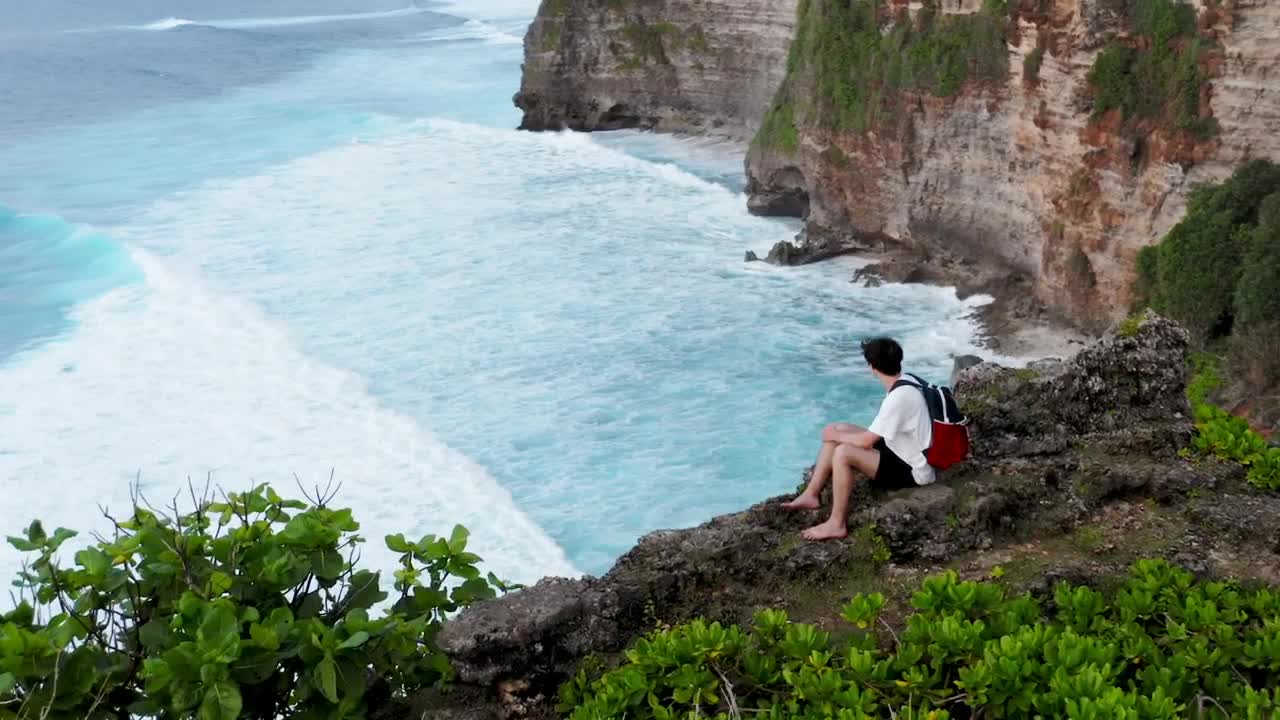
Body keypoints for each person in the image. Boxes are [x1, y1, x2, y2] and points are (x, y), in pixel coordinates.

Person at [782, 337, 935, 540]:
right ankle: (811, 493)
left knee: (843, 452)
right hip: (903, 448)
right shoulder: (908, 380)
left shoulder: (898, 398)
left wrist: (835, 436)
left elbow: (866, 441)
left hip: (913, 469)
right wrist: (836, 433)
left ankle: (837, 523)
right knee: (838, 428)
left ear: (872, 367)